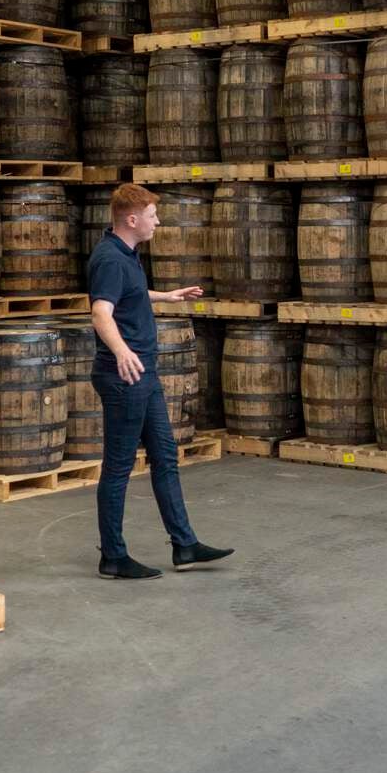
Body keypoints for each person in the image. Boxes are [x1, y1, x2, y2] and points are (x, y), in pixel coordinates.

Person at [89, 183, 233, 580]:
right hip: (125, 374)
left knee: (165, 458)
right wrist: (121, 351)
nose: (158, 221)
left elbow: (128, 296)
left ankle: (184, 545)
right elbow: (101, 313)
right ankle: (113, 556)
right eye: (153, 215)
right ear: (132, 220)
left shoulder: (125, 254)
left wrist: (165, 297)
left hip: (144, 373)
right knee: (118, 466)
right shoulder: (110, 259)